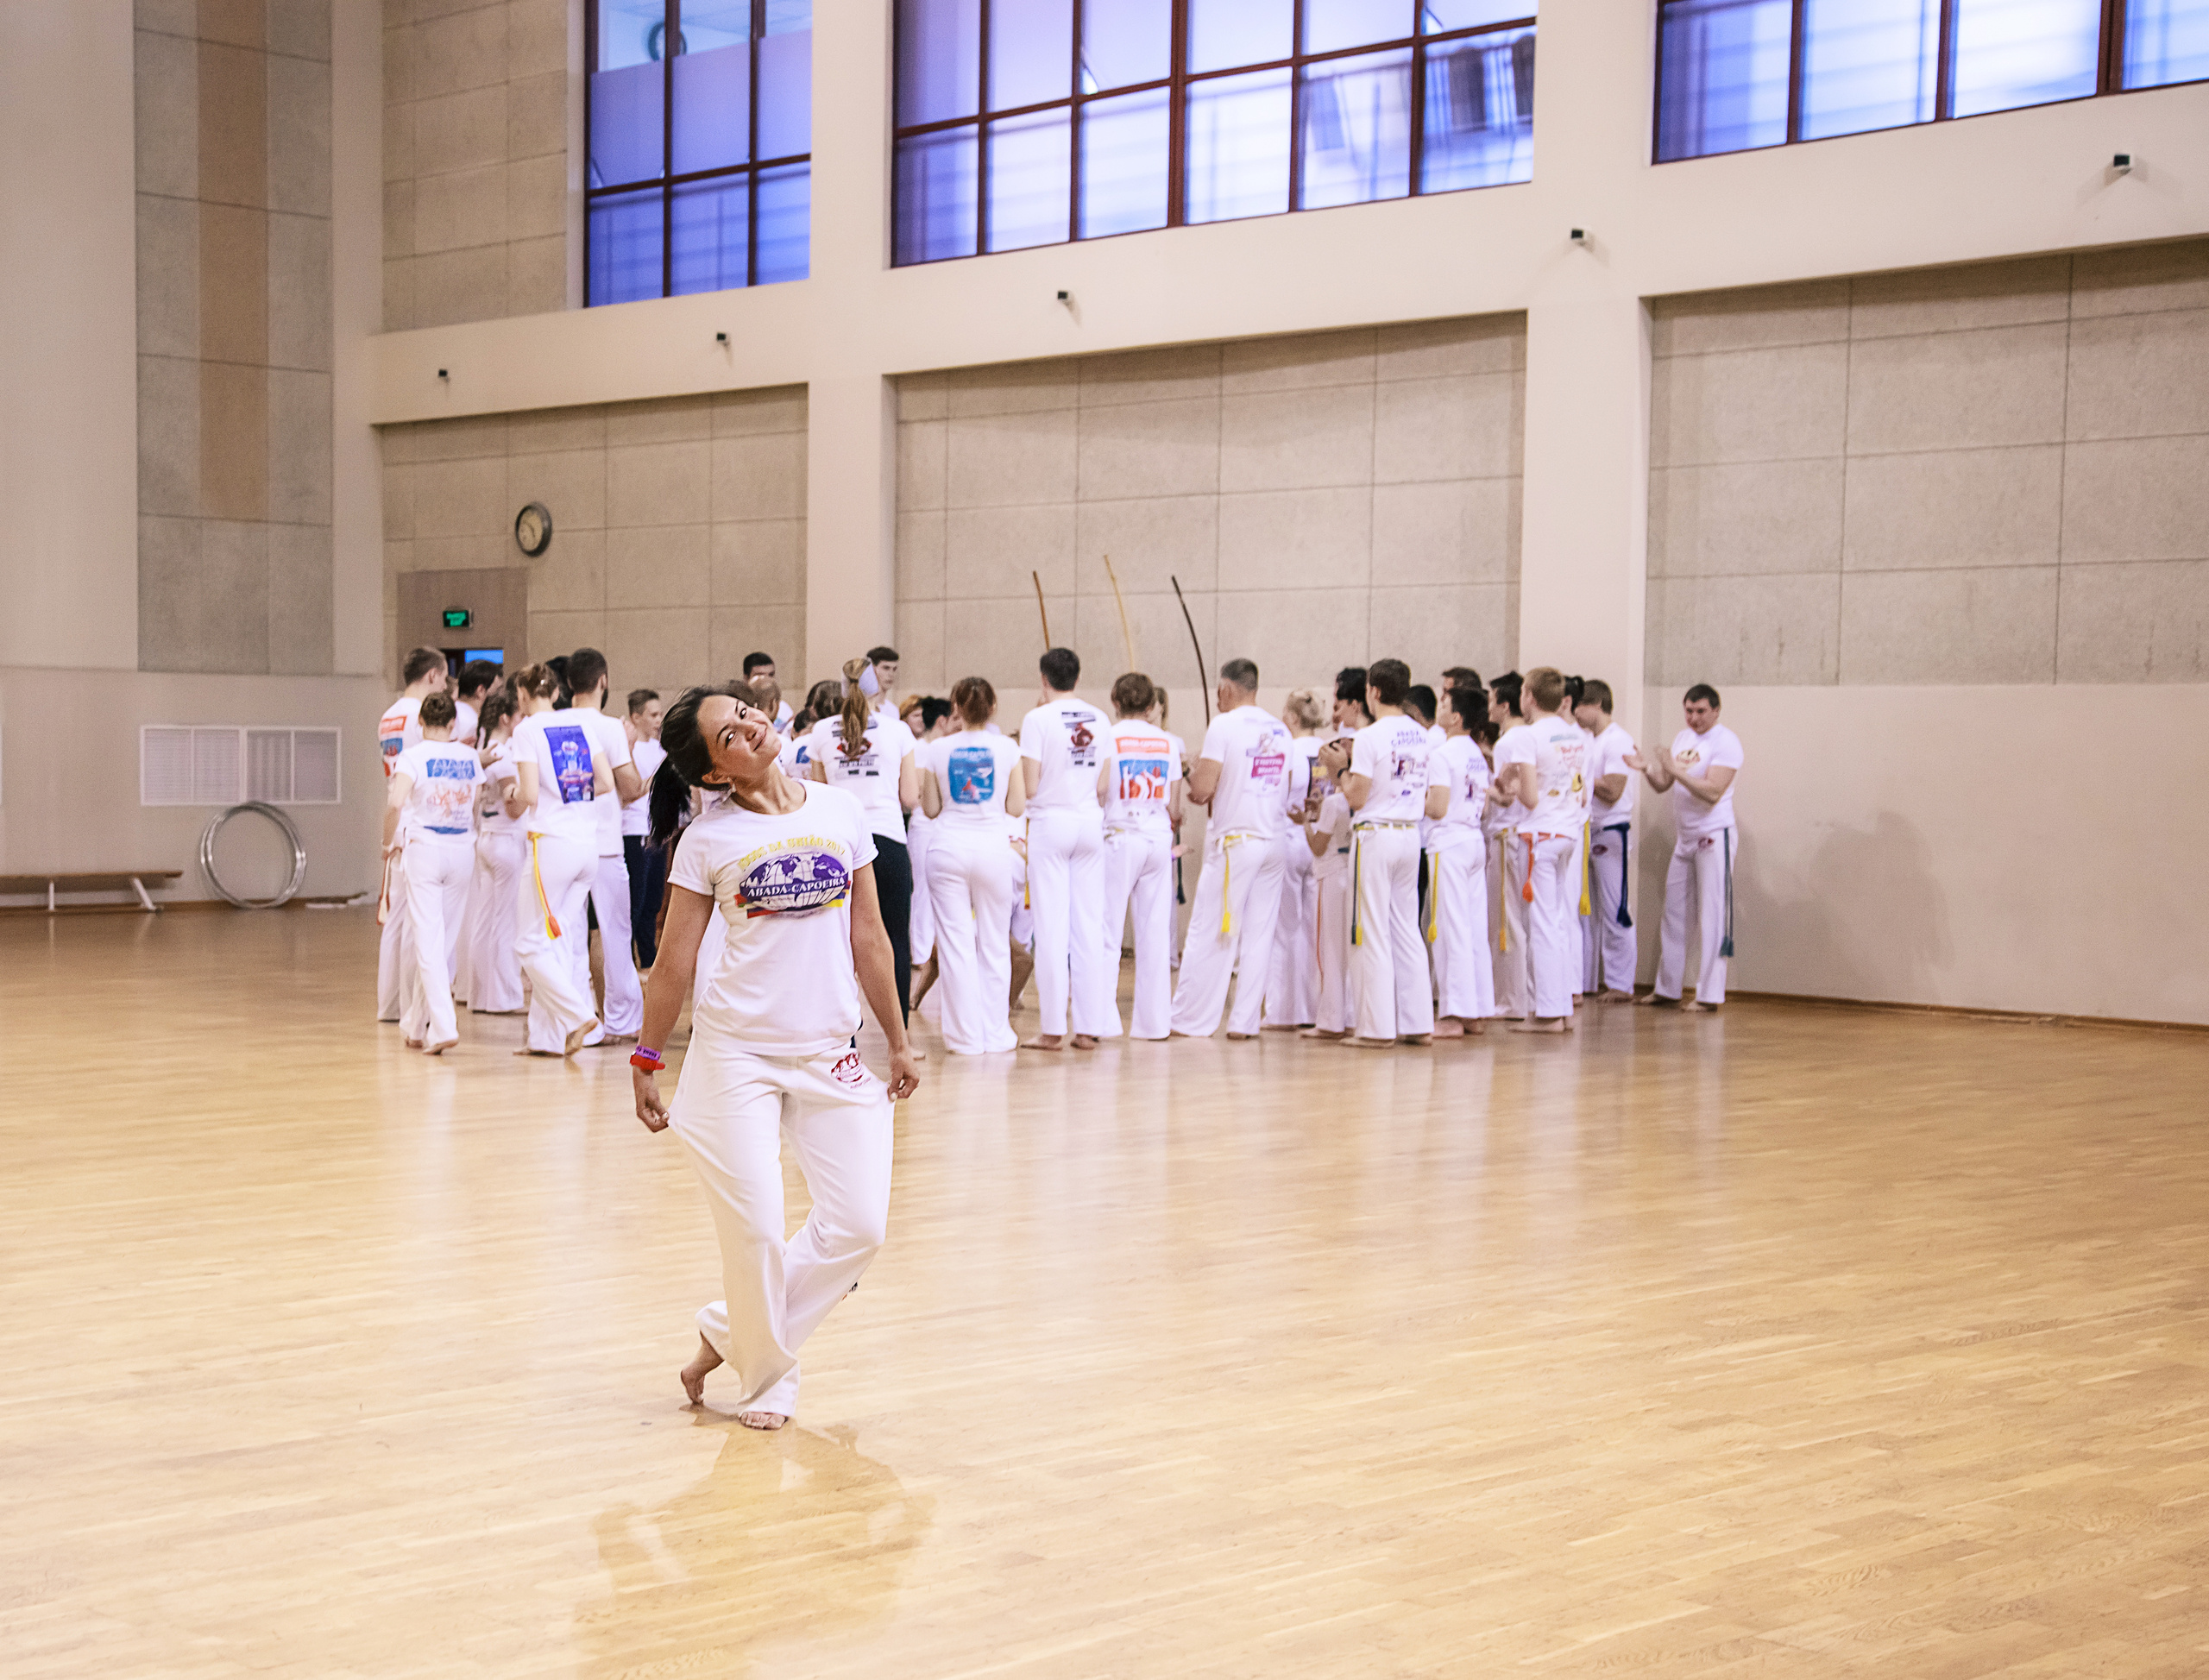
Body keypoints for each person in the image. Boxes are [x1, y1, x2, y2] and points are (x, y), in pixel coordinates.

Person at [632, 684, 918, 1432]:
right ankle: (767, 1378)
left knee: (860, 1226)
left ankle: (730, 1329)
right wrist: (646, 1056)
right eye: (730, 734)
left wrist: (899, 1035)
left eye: (748, 714)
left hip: (831, 1049)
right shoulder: (708, 840)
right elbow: (673, 964)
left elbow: (871, 939)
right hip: (736, 1059)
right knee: (756, 1229)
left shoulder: (839, 810)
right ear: (716, 775)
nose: (751, 727)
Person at [1171, 658, 1306, 1040]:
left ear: (1228, 690)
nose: (1217, 700)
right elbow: (1289, 782)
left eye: (1218, 693)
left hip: (1237, 843)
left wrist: (1186, 769)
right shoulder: (1280, 730)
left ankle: (1190, 1018)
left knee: (1210, 930)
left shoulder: (1224, 725)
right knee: (1260, 934)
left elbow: (1201, 791)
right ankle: (1245, 1022)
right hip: (1273, 840)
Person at [1339, 658, 1448, 1047]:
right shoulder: (1423, 735)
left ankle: (1376, 1028)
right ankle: (1419, 1024)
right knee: (1407, 930)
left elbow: (1357, 795)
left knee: (1369, 931)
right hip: (1409, 835)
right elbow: (1438, 802)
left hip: (1376, 835)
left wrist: (1340, 771)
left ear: (1373, 691)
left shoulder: (1371, 736)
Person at [807, 658, 921, 1023]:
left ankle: (845, 1038)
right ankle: (899, 1035)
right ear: (875, 688)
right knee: (895, 942)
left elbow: (819, 796)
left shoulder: (822, 732)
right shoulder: (898, 730)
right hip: (887, 842)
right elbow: (909, 798)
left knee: (838, 943)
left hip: (840, 846)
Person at [917, 677, 1026, 1054]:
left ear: (955, 708)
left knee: (955, 945)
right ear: (993, 707)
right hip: (993, 850)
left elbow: (930, 809)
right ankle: (995, 1033)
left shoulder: (936, 749)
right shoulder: (1007, 748)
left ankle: (964, 1038)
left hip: (948, 847)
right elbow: (1016, 807)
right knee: (994, 943)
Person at [507, 662, 610, 1056]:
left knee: (529, 944)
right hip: (587, 844)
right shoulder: (581, 726)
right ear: (555, 692)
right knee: (558, 941)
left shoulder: (526, 730)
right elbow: (605, 782)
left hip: (551, 844)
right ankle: (547, 1039)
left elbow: (529, 794)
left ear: (522, 695)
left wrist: (514, 790)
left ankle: (577, 1015)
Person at [1016, 647, 1115, 1052]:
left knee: (1052, 930)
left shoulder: (1036, 719)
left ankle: (1054, 1028)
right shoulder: (1101, 718)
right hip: (1090, 823)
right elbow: (1105, 786)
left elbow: (1031, 786)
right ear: (1078, 676)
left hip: (1050, 823)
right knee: (1089, 928)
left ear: (1043, 679)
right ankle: (1090, 1027)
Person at [1629, 684, 1743, 1012]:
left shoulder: (1726, 742)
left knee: (1712, 914)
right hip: (1686, 837)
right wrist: (1648, 768)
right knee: (1674, 913)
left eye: (1701, 712)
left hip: (1713, 835)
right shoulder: (1683, 740)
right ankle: (1667, 989)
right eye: (1689, 711)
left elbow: (1712, 792)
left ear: (1716, 711)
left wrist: (1675, 768)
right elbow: (1665, 785)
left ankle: (1708, 995)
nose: (1694, 718)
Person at [1490, 667, 1590, 1035]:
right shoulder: (1575, 736)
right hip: (1567, 830)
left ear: (1528, 696)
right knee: (1559, 922)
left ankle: (1548, 1013)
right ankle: (1560, 1006)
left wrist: (1504, 786)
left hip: (1540, 836)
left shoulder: (1526, 737)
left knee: (1543, 926)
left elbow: (1529, 798)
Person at [382, 693, 482, 1054]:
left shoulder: (413, 757)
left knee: (427, 941)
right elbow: (474, 802)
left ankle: (442, 1025)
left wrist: (386, 841)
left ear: (420, 723)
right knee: (444, 941)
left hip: (425, 848)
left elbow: (396, 802)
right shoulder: (470, 757)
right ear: (453, 724)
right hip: (462, 849)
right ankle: (415, 1022)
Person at [1096, 672, 1182, 1041]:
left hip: (1118, 834)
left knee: (1107, 930)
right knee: (1155, 933)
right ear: (1151, 706)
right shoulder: (1168, 742)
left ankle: (1102, 1019)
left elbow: (1099, 789)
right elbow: (1175, 804)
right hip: (1158, 836)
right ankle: (1154, 1024)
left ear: (1114, 700)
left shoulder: (1108, 737)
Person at [566, 649, 645, 1045]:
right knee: (615, 933)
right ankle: (622, 1020)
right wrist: (628, 746)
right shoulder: (610, 728)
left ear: (568, 685)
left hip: (564, 841)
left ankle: (577, 1018)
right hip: (605, 844)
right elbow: (630, 789)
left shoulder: (551, 723)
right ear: (603, 682)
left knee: (571, 932)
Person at [376, 648, 449, 1022]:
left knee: (396, 920)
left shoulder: (388, 716)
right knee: (409, 922)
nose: (448, 686)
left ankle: (389, 1004)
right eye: (446, 677)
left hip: (399, 812)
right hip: (415, 818)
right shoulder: (416, 720)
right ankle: (408, 1007)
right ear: (433, 675)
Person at [1428, 685, 1495, 1037]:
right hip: (1472, 838)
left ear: (1455, 717)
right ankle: (1477, 1010)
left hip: (1450, 842)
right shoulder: (1476, 755)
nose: (1439, 707)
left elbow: (1437, 807)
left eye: (1444, 703)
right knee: (1472, 929)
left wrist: (1408, 798)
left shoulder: (1443, 754)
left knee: (1450, 928)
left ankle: (1454, 1013)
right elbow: (1484, 806)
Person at [1262, 688, 1328, 1031]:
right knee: (1313, 930)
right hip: (1317, 840)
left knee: (1284, 929)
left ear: (1290, 718)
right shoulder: (1327, 751)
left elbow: (1276, 795)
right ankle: (1315, 1007)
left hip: (1289, 838)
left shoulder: (1286, 750)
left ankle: (1284, 1011)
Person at [1575, 679, 1638, 1002]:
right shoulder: (1586, 739)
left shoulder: (1619, 741)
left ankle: (1621, 984)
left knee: (1615, 908)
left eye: (1579, 706)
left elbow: (1612, 791)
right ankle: (1584, 982)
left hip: (1611, 830)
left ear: (1597, 704)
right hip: (1586, 827)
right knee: (1584, 911)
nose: (1574, 713)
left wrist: (1582, 776)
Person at [465, 692, 527, 1016]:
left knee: (485, 920)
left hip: (487, 838)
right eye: (519, 716)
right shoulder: (503, 754)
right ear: (506, 718)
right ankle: (504, 998)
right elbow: (514, 806)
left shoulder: (484, 752)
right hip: (506, 839)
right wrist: (531, 790)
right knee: (504, 923)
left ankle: (479, 996)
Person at [1485, 671, 1530, 1019]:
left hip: (1507, 836)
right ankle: (1523, 995)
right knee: (1525, 921)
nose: (1488, 706)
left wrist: (1488, 789)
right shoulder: (1527, 737)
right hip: (1525, 835)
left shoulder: (1508, 742)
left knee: (1506, 921)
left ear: (1503, 704)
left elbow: (1505, 794)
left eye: (1491, 699)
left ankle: (1511, 1000)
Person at [1300, 760, 1355, 1040]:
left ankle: (1331, 1020)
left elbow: (1318, 847)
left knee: (1329, 951)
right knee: (1351, 950)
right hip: (1351, 872)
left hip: (1332, 874)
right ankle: (1352, 1016)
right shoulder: (1358, 798)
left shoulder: (1334, 802)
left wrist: (1306, 824)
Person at [903, 696, 954, 988]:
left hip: (942, 825)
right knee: (921, 889)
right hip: (925, 824)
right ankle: (920, 952)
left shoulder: (942, 749)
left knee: (938, 891)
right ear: (942, 721)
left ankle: (933, 950)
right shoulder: (921, 750)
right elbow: (921, 792)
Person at [624, 689, 669, 971]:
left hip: (657, 830)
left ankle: (649, 958)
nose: (658, 720)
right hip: (633, 829)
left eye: (660, 714)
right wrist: (659, 777)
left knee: (654, 900)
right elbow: (632, 790)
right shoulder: (628, 750)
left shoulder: (660, 749)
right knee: (635, 901)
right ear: (635, 717)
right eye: (653, 714)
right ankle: (628, 961)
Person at [742, 651, 794, 732]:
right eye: (760, 675)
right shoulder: (740, 709)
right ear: (746, 678)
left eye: (771, 675)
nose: (766, 680)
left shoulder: (784, 708)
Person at [455, 659, 500, 744]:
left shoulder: (452, 710)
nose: (500, 696)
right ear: (481, 690)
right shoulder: (471, 723)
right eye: (497, 690)